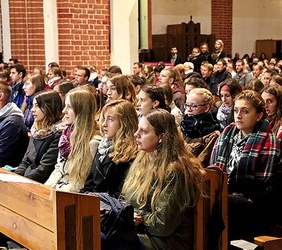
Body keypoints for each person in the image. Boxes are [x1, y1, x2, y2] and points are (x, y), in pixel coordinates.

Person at [121, 109, 205, 249]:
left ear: (162, 137)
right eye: (137, 129)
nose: (136, 134)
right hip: (140, 231)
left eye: (144, 131)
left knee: (109, 242)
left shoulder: (175, 171)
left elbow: (162, 225)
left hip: (165, 242)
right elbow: (125, 199)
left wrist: (137, 217)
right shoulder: (142, 161)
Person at [210, 90, 282, 241]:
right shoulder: (228, 132)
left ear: (258, 116)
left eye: (245, 111)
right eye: (236, 110)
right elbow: (215, 168)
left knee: (220, 205)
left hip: (257, 203)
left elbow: (260, 186)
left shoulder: (268, 140)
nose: (238, 116)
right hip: (229, 193)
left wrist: (227, 188)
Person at [44, 88, 101, 192]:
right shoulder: (66, 135)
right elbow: (59, 169)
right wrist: (45, 190)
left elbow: (79, 183)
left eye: (69, 107)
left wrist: (54, 194)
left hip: (70, 197)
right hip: (58, 189)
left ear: (81, 111)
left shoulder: (93, 143)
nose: (63, 111)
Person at [81, 100, 138, 197]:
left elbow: (120, 193)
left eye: (110, 119)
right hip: (93, 201)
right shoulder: (103, 145)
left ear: (124, 123)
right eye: (104, 118)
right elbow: (89, 183)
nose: (104, 124)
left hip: (110, 206)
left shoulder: (131, 152)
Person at [14, 90, 63, 183]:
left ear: (48, 108)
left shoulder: (58, 134)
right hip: (27, 178)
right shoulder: (37, 130)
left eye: (37, 106)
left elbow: (44, 169)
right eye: (33, 105)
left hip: (40, 182)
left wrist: (22, 181)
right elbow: (26, 161)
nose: (32, 109)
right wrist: (15, 176)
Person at [181, 88, 220, 167]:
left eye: (194, 106)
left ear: (206, 108)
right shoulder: (181, 127)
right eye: (187, 105)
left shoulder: (213, 135)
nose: (189, 109)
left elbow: (200, 163)